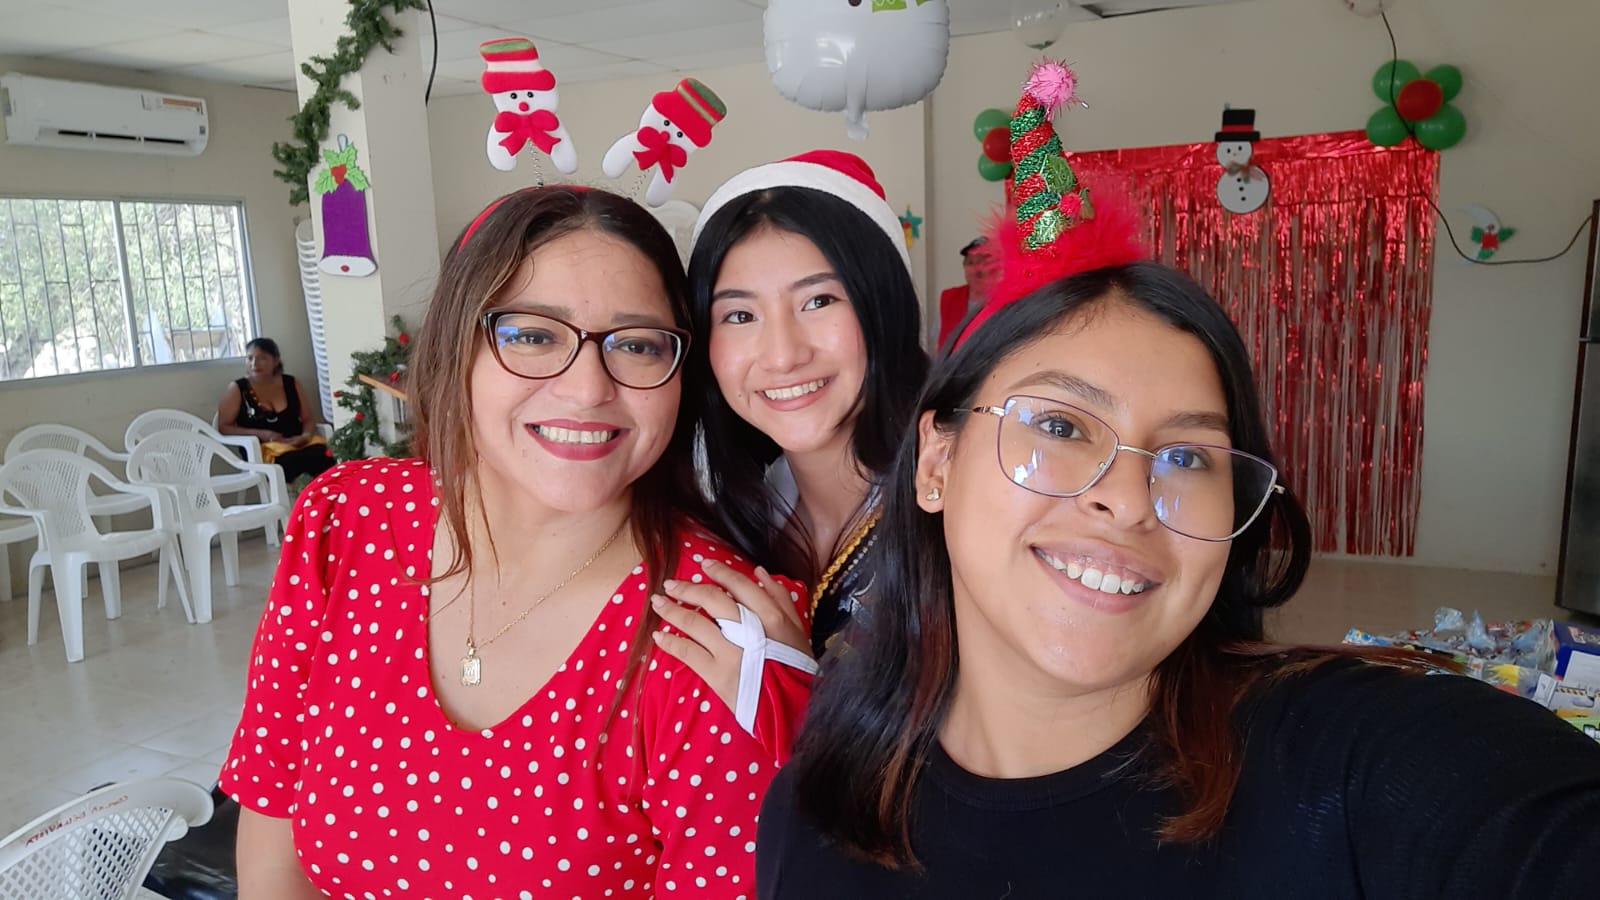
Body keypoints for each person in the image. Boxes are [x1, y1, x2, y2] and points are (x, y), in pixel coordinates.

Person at [755, 62, 1600, 898]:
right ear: (937, 461)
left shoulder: (1357, 764)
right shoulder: (813, 815)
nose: (1128, 501)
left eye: (1188, 456)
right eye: (1061, 426)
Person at [222, 186, 812, 898]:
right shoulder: (345, 523)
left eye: (637, 344)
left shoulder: (713, 638)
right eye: (533, 335)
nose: (588, 388)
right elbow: (272, 827)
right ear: (457, 347)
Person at [676, 150, 929, 665]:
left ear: (884, 307)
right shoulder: (733, 521)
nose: (783, 355)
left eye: (818, 301)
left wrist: (792, 681)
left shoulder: (957, 510)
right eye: (740, 315)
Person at [216, 337, 334, 483]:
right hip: (262, 449)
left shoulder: (291, 383)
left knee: (324, 455)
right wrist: (263, 434)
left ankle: (327, 494)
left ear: (276, 360)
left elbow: (308, 419)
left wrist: (304, 436)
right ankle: (301, 496)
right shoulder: (238, 388)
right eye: (250, 358)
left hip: (298, 442)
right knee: (289, 462)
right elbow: (224, 427)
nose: (254, 364)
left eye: (262, 358)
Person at [934, 236, 995, 351]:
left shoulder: (1008, 300)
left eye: (984, 261)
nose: (977, 269)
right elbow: (937, 344)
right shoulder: (949, 299)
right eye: (970, 263)